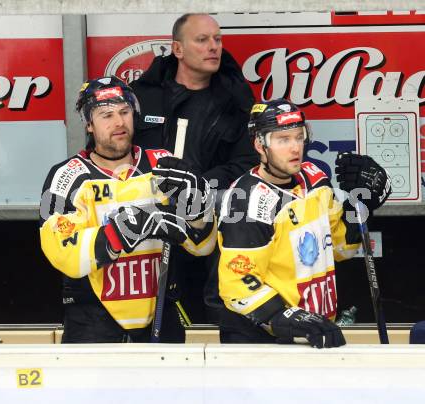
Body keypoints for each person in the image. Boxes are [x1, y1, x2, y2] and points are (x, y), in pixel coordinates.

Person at [39, 76, 216, 343]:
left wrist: (196, 203)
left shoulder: (165, 165)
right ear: (89, 124)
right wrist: (118, 233)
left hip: (160, 313)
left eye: (124, 112)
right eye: (106, 115)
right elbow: (60, 250)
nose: (119, 122)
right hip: (93, 321)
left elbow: (203, 245)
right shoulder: (66, 176)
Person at [217, 98, 392, 348]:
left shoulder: (315, 178)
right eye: (283, 139)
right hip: (262, 339)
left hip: (313, 329)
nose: (295, 148)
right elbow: (238, 283)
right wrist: (285, 316)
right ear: (260, 144)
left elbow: (340, 247)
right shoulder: (248, 200)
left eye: (299, 137)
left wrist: (361, 206)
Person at [131, 13, 258, 328]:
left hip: (210, 225)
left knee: (210, 318)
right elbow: (117, 153)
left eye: (217, 39)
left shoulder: (236, 100)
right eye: (202, 40)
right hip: (149, 224)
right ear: (177, 49)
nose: (213, 47)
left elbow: (246, 164)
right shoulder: (142, 95)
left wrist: (200, 185)